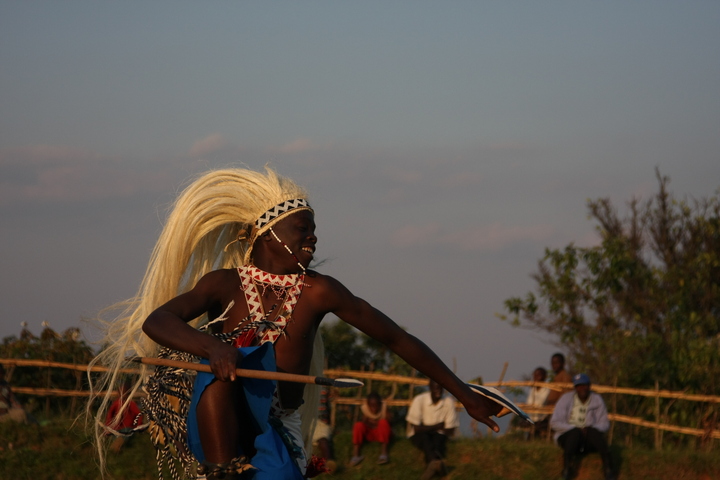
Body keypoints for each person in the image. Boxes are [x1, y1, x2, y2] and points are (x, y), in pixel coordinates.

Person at [88, 167, 502, 480]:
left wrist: (464, 394)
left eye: (314, 230)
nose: (313, 238)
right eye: (303, 228)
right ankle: (222, 471)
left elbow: (396, 338)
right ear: (267, 233)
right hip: (222, 422)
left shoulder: (319, 291)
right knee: (219, 372)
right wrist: (213, 347)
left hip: (278, 422)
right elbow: (158, 320)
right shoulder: (224, 284)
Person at [550, 373, 615, 480]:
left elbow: (605, 424)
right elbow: (554, 422)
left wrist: (590, 428)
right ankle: (567, 469)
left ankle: (608, 469)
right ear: (575, 388)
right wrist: (574, 429)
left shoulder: (597, 399)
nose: (582, 388)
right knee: (574, 433)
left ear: (589, 386)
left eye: (584, 385)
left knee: (593, 432)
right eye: (579, 386)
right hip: (569, 437)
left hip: (588, 438)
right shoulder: (565, 399)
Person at [406, 379, 460, 480]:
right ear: (430, 387)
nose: (437, 391)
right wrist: (437, 426)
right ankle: (438, 466)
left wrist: (426, 427)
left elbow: (450, 429)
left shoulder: (448, 402)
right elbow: (416, 429)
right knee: (426, 440)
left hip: (438, 434)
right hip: (421, 434)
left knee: (437, 441)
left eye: (440, 388)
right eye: (435, 388)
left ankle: (433, 465)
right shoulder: (419, 400)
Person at [349, 392, 391, 467]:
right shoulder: (365, 410)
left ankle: (384, 454)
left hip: (382, 434)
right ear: (368, 405)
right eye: (371, 406)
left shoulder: (384, 409)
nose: (373, 409)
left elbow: (389, 422)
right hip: (370, 434)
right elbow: (364, 423)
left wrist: (374, 422)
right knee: (358, 425)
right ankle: (356, 455)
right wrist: (373, 423)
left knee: (383, 422)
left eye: (376, 406)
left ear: (380, 404)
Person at [104, 380, 144, 453]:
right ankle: (116, 446)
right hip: (117, 427)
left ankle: (117, 445)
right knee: (116, 435)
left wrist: (139, 425)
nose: (122, 394)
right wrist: (108, 426)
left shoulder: (130, 403)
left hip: (127, 427)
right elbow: (110, 415)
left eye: (124, 392)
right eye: (121, 392)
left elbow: (138, 414)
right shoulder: (117, 403)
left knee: (126, 434)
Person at [311, 386, 337, 474]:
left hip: (320, 421)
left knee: (323, 439)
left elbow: (329, 404)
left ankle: (328, 462)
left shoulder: (324, 388)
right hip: (307, 420)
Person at [526, 367, 550, 437]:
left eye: (539, 375)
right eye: (535, 375)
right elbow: (528, 403)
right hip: (531, 418)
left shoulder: (547, 389)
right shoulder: (532, 389)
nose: (536, 377)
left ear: (544, 377)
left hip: (542, 419)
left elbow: (541, 404)